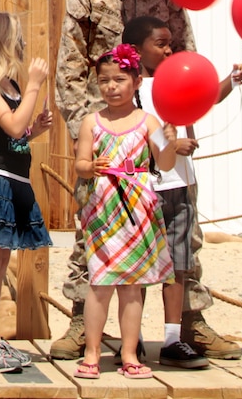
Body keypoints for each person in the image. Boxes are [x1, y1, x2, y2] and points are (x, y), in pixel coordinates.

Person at [55, 0, 239, 362]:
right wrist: (90, 130)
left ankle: (190, 324)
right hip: (108, 133)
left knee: (180, 227)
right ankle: (82, 321)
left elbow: (185, 56)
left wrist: (181, 116)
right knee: (95, 227)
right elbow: (70, 70)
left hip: (160, 126)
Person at [122, 15, 242, 369]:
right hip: (147, 189)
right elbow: (135, 131)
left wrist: (232, 81)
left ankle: (173, 338)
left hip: (181, 187)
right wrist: (170, 145)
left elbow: (207, 98)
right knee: (140, 268)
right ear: (137, 50)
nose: (168, 49)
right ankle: (130, 340)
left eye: (170, 43)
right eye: (160, 44)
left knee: (179, 265)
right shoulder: (133, 88)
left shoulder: (177, 79)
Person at [72, 45, 178, 380]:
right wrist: (92, 166)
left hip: (138, 211)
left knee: (133, 286)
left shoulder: (148, 121)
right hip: (105, 212)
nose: (111, 87)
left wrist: (169, 142)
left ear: (137, 81)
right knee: (99, 283)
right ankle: (91, 352)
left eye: (119, 79)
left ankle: (130, 352)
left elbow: (165, 163)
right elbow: (80, 164)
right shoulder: (93, 121)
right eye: (104, 81)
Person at [0, 12, 54, 373]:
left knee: (2, 261)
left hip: (16, 178)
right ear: (1, 41)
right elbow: (12, 126)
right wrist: (34, 86)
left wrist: (34, 131)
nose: (21, 44)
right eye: (16, 37)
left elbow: (16, 135)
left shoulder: (11, 85)